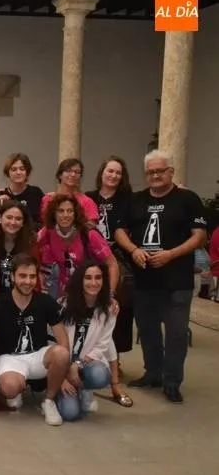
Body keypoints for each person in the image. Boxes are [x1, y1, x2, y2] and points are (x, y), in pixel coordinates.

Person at [115, 149, 207, 404]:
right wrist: (133, 250)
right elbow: (120, 230)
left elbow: (200, 236)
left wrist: (171, 254)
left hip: (177, 281)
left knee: (176, 333)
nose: (155, 175)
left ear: (171, 172)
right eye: (150, 172)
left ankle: (172, 381)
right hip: (145, 280)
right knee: (147, 329)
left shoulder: (187, 199)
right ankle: (152, 373)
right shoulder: (135, 200)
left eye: (160, 170)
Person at [0, 253, 70, 426]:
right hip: (10, 358)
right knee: (9, 388)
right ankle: (10, 386)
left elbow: (63, 340)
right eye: (22, 276)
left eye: (32, 276)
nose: (28, 281)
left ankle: (48, 401)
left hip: (38, 356)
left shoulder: (46, 302)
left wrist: (64, 375)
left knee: (61, 353)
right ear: (12, 277)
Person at [85, 156, 135, 407]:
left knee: (117, 308)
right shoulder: (89, 196)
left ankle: (116, 360)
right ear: (101, 173)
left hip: (117, 256)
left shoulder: (128, 200)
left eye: (118, 172)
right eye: (109, 171)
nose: (113, 175)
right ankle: (88, 352)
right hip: (92, 256)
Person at [54, 262, 125, 421]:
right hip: (61, 365)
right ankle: (56, 390)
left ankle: (83, 387)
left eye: (98, 278)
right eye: (88, 278)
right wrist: (63, 376)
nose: (93, 283)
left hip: (87, 363)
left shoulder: (109, 309)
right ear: (80, 280)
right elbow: (52, 344)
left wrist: (77, 365)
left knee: (100, 375)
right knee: (70, 414)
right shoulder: (62, 305)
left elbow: (102, 345)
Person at [39, 194, 118, 298]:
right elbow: (33, 251)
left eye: (70, 211)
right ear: (54, 213)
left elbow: (112, 264)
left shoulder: (89, 234)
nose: (65, 215)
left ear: (75, 213)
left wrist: (110, 295)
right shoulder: (48, 232)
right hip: (64, 293)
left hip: (91, 291)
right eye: (61, 211)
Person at [0, 200, 39, 297]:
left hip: (22, 298)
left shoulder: (31, 242)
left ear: (23, 222)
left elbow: (34, 274)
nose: (13, 222)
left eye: (18, 219)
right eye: (9, 217)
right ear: (0, 218)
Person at [40, 158, 100, 226]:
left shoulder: (87, 202)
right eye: (68, 171)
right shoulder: (48, 199)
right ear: (60, 175)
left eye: (77, 172)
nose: (73, 174)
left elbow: (91, 226)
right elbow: (44, 225)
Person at [0, 153, 45, 229]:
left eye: (22, 169)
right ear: (7, 173)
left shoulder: (36, 192)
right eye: (14, 169)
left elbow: (44, 220)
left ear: (27, 172)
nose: (18, 172)